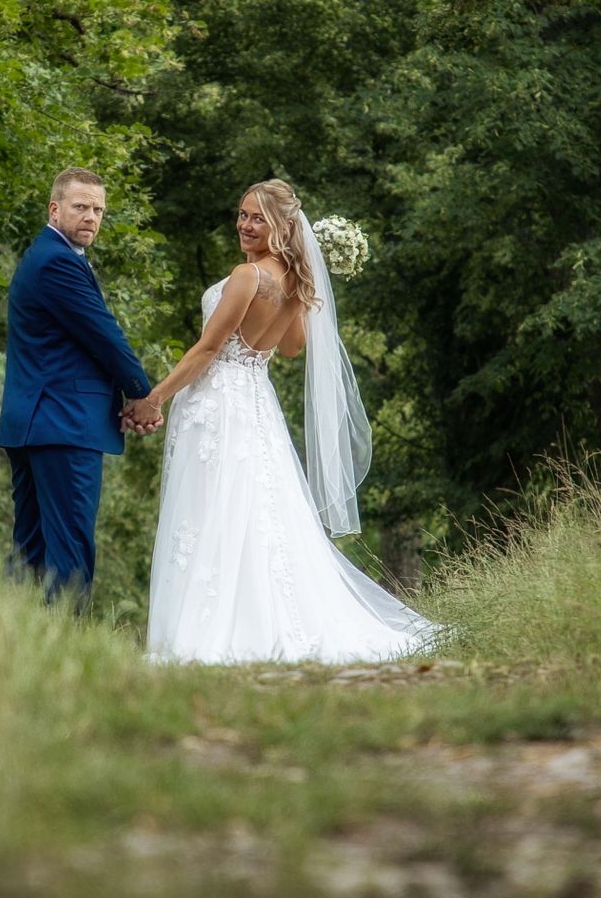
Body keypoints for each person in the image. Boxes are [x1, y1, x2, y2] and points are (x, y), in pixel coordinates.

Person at [132, 179, 440, 662]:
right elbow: (292, 347)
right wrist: (299, 300)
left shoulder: (247, 276)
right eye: (242, 215)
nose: (245, 225)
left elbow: (210, 349)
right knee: (255, 508)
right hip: (256, 399)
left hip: (221, 400)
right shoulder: (296, 283)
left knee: (216, 507)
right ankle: (259, 617)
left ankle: (215, 629)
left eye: (257, 218)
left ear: (281, 226)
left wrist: (156, 397)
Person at [0, 168, 163, 609]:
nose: (91, 217)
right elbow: (103, 333)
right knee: (69, 548)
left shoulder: (50, 255)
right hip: (63, 423)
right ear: (55, 209)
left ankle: (4, 644)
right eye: (81, 207)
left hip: (37, 423)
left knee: (30, 550)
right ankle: (67, 647)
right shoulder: (56, 261)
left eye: (98, 209)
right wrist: (142, 394)